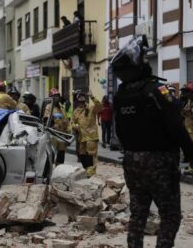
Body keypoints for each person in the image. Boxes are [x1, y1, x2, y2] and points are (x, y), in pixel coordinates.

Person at [111, 34, 193, 248]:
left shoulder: (121, 95)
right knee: (170, 214)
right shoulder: (157, 90)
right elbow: (177, 125)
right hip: (160, 160)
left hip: (131, 161)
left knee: (138, 214)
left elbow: (119, 130)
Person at [71, 91, 102, 174]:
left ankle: (91, 174)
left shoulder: (91, 108)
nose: (81, 103)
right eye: (79, 101)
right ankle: (87, 170)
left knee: (91, 155)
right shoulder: (75, 111)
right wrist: (74, 126)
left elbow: (99, 106)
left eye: (83, 101)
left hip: (91, 136)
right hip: (81, 137)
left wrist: (92, 97)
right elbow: (72, 122)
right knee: (82, 155)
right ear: (77, 102)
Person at [43, 88, 70, 165]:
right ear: (51, 98)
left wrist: (68, 132)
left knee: (61, 153)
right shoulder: (48, 107)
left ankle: (59, 168)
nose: (56, 98)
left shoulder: (62, 107)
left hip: (62, 133)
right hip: (53, 133)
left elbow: (66, 122)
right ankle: (49, 169)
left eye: (57, 96)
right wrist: (54, 116)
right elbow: (46, 119)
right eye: (54, 96)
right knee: (51, 152)